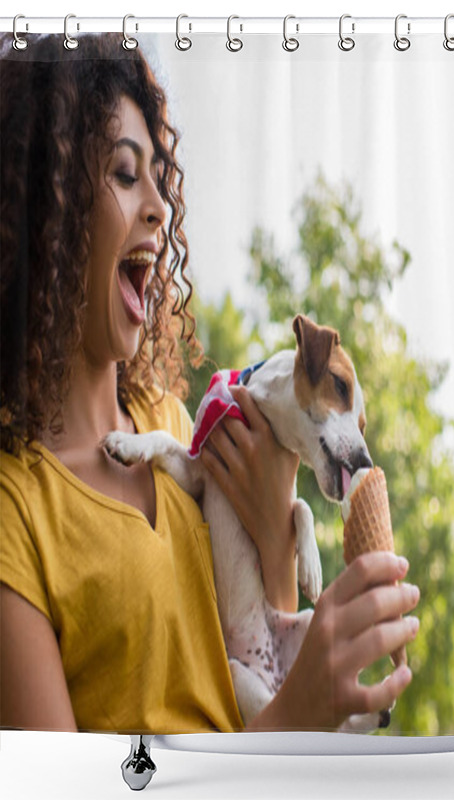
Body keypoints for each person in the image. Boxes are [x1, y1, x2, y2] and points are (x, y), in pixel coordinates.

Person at [0, 33, 419, 733]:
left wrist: (279, 547)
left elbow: (253, 651)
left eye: (159, 178)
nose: (161, 207)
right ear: (46, 215)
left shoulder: (175, 421)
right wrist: (302, 712)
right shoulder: (16, 512)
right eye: (125, 175)